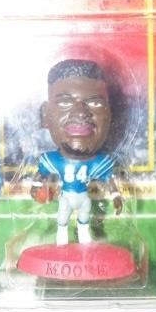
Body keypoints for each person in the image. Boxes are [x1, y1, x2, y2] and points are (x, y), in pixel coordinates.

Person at [31, 59, 123, 245]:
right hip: (66, 197)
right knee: (62, 219)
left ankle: (84, 239)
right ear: (45, 115)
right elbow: (41, 174)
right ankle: (61, 240)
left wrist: (115, 196)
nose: (81, 112)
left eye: (95, 103)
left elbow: (109, 179)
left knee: (84, 218)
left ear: (110, 115)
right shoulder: (53, 160)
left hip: (83, 198)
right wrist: (35, 186)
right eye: (65, 102)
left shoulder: (98, 163)